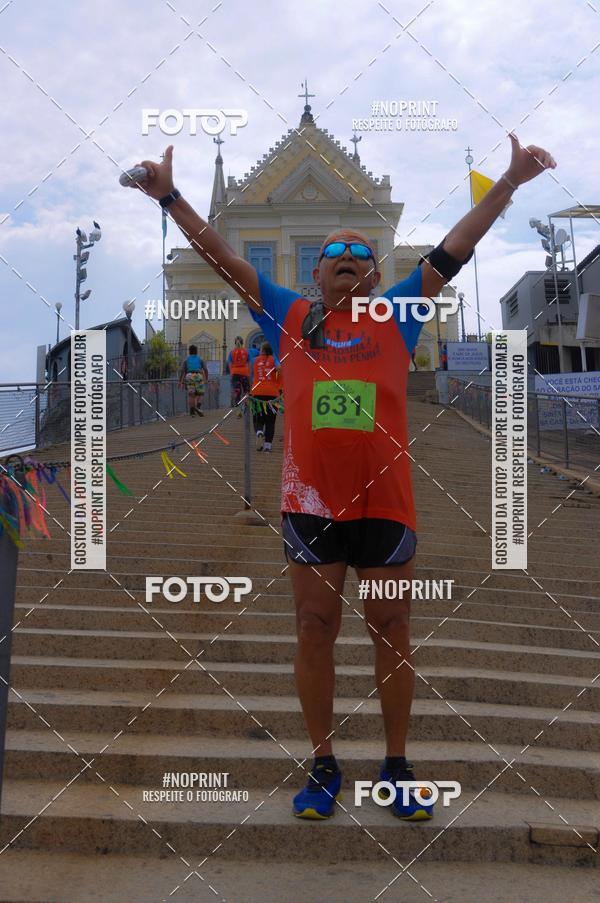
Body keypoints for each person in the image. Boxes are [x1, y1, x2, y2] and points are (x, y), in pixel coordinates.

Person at [133, 134, 556, 820]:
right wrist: (171, 198)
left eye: (365, 257)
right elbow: (226, 258)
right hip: (311, 505)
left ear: (377, 272)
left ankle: (396, 764)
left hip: (387, 506)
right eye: (338, 256)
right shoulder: (290, 316)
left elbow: (456, 246)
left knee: (391, 627)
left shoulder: (398, 314)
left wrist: (508, 182)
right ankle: (323, 762)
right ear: (317, 273)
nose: (353, 265)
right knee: (313, 624)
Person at [250, 341, 281, 452]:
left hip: (257, 392)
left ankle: (259, 431)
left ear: (262, 350)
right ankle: (268, 446)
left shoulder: (254, 360)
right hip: (273, 393)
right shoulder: (274, 359)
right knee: (271, 421)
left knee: (257, 417)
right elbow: (280, 369)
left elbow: (250, 375)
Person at [178, 344, 208, 416]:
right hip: (198, 375)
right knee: (200, 393)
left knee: (191, 395)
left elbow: (182, 371)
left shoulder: (186, 360)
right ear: (196, 351)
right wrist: (206, 379)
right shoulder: (200, 359)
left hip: (189, 376)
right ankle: (198, 407)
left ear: (189, 352)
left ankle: (192, 412)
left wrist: (180, 382)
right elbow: (205, 369)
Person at [227, 336, 251, 416]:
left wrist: (232, 373)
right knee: (246, 391)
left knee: (237, 392)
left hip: (235, 373)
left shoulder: (232, 352)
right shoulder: (246, 351)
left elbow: (230, 364)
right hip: (244, 373)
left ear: (235, 343)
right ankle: (246, 407)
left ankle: (238, 410)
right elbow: (249, 363)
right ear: (243, 342)